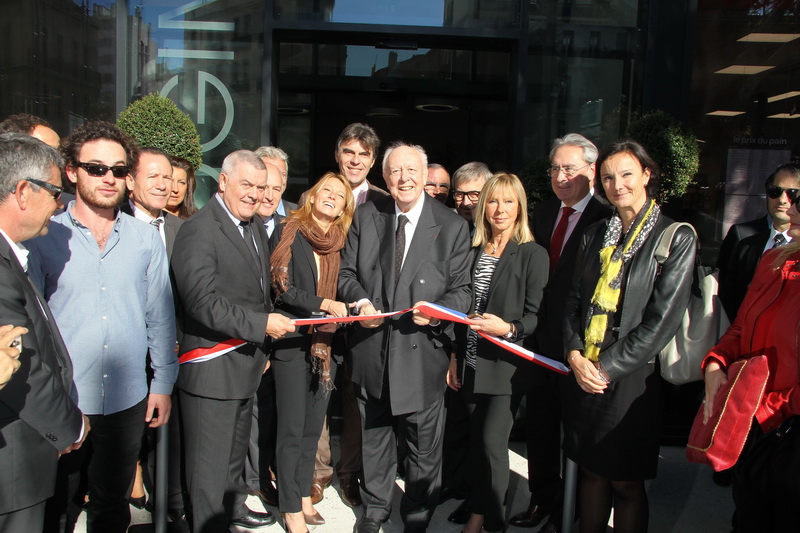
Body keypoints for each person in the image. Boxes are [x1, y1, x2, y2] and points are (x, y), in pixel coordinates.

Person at [28, 121, 177, 533]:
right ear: (72, 171)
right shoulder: (43, 236)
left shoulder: (144, 239)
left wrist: (162, 383)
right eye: (96, 168)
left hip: (127, 398)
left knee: (112, 508)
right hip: (64, 398)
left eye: (117, 169)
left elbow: (159, 316)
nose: (108, 178)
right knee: (57, 507)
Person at [562, 140, 696, 533]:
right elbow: (572, 302)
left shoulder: (675, 236)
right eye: (607, 177)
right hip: (584, 368)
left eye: (626, 174)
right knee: (591, 473)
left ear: (646, 175)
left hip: (630, 377)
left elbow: (661, 321)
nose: (616, 184)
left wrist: (603, 369)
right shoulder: (595, 233)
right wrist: (574, 356)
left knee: (625, 481)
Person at [339, 141, 471, 533]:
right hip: (372, 352)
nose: (404, 178)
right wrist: (359, 301)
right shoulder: (366, 216)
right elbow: (346, 274)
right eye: (395, 171)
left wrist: (436, 313)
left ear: (425, 175)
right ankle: (376, 510)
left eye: (412, 170)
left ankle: (417, 511)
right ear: (385, 177)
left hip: (420, 355)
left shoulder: (451, 225)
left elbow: (463, 291)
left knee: (422, 447)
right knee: (375, 441)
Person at [170, 150, 295, 532]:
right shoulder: (199, 230)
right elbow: (202, 303)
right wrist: (262, 326)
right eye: (247, 185)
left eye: (261, 188)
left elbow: (257, 291)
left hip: (245, 367)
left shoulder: (254, 225)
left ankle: (232, 514)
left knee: (231, 461)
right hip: (211, 371)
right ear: (222, 182)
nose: (255, 195)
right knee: (207, 471)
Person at [511, 134, 611, 533]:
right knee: (540, 427)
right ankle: (543, 498)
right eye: (554, 168)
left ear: (591, 169)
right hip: (538, 341)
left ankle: (573, 508)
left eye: (569, 168)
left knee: (576, 432)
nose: (560, 175)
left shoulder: (606, 218)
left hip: (580, 346)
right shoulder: (544, 210)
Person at [448, 173, 548, 533]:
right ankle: (479, 509)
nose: (500, 209)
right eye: (493, 201)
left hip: (506, 366)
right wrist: (456, 357)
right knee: (477, 444)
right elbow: (462, 310)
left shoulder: (532, 253)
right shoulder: (474, 250)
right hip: (471, 362)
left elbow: (537, 316)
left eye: (508, 201)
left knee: (492, 445)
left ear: (519, 206)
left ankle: (492, 523)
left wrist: (507, 329)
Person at [0, 133, 87, 533]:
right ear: (22, 191)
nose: (60, 204)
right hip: (13, 464)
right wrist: (71, 426)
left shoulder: (14, 255)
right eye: (55, 192)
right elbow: (22, 366)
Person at [702, 193, 800, 533]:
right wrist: (715, 362)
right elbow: (742, 326)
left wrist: (773, 406)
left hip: (788, 426)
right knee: (748, 518)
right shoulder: (774, 260)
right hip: (756, 425)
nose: (794, 208)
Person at [269, 172, 355, 533]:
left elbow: (348, 282)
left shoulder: (339, 242)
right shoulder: (290, 229)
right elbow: (282, 286)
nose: (333, 197)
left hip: (325, 348)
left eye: (341, 195)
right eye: (328, 190)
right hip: (291, 343)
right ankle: (290, 508)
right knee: (291, 429)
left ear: (344, 208)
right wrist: (323, 303)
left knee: (310, 428)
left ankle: (304, 494)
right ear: (313, 195)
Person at [443, 159, 492, 525]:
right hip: (451, 342)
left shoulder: (494, 237)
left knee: (480, 430)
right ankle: (455, 483)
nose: (464, 201)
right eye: (459, 194)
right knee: (455, 420)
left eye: (473, 194)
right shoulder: (449, 228)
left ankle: (478, 496)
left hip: (485, 350)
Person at [245, 160, 289, 511]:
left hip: (282, 337)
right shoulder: (241, 227)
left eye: (277, 187)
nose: (269, 195)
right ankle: (254, 480)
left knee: (270, 411)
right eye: (264, 187)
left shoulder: (288, 226)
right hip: (247, 335)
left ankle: (264, 472)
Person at [718, 163, 800, 320]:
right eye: (775, 192)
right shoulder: (747, 244)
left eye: (792, 193)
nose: (782, 200)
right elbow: (727, 296)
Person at [122, 147, 184, 257]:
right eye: (152, 177)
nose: (162, 186)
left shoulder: (181, 229)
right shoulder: (115, 225)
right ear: (130, 181)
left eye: (167, 178)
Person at [254, 146, 297, 215]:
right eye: (270, 172)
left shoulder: (298, 212)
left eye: (283, 174)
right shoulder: (245, 213)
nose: (278, 178)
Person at [453, 162, 492, 229]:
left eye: (473, 194)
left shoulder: (496, 232)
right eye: (459, 194)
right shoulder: (447, 226)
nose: (465, 202)